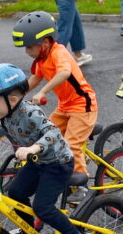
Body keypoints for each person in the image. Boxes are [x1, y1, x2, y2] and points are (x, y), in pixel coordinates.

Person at [0, 63, 93, 234]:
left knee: (43, 207)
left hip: (57, 163)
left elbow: (53, 132)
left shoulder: (30, 112)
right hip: (38, 161)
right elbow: (3, 126)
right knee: (16, 193)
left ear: (12, 100)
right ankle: (28, 230)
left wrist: (33, 148)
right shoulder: (9, 114)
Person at [13, 11, 98, 177]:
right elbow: (36, 77)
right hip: (64, 107)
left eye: (29, 46)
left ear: (45, 42)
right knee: (45, 136)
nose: (26, 51)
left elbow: (64, 73)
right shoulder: (42, 58)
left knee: (71, 146)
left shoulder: (59, 52)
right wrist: (17, 96)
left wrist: (43, 92)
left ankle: (80, 185)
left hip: (82, 106)